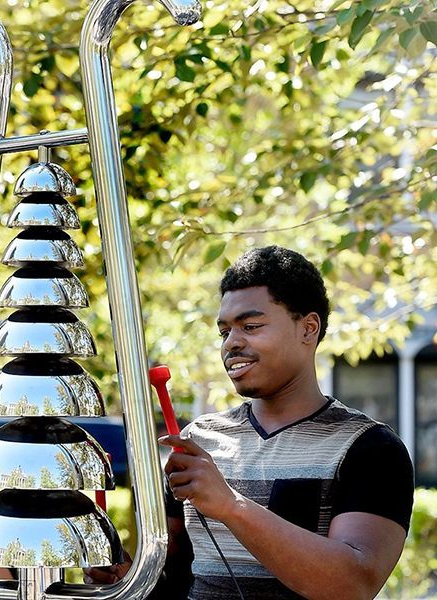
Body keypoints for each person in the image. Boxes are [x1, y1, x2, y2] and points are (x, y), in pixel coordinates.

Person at [85, 246, 414, 599]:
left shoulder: (369, 448)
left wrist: (230, 505)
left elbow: (353, 584)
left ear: (308, 328)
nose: (232, 344)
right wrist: (126, 578)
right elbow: (176, 581)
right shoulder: (198, 441)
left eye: (251, 326)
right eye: (224, 332)